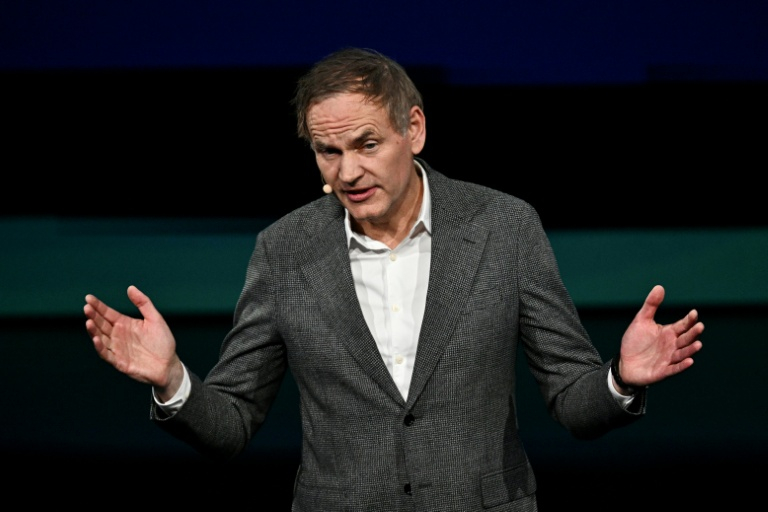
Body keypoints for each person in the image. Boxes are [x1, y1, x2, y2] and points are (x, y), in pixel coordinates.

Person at [83, 47, 704, 511]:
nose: (348, 172)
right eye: (329, 152)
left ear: (415, 129)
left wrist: (621, 379)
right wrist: (172, 379)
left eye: (367, 144)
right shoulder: (285, 249)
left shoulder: (503, 227)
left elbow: (572, 399)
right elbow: (232, 422)